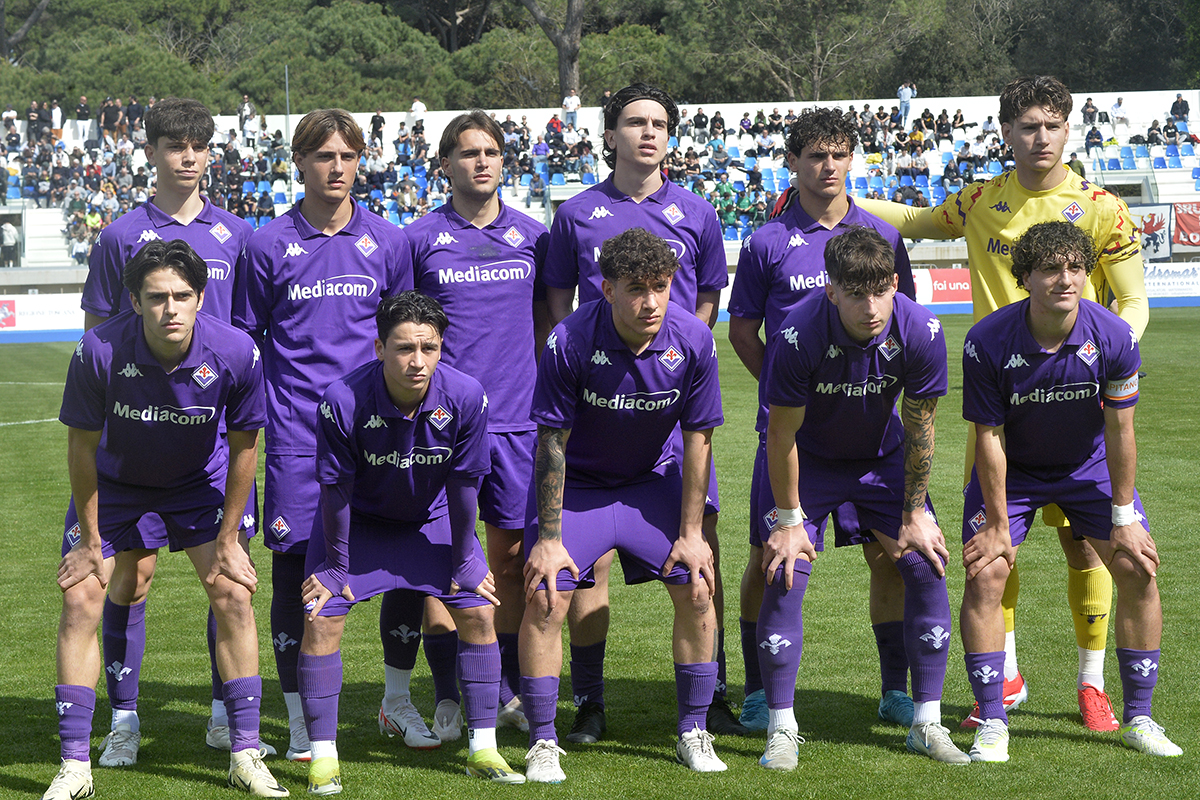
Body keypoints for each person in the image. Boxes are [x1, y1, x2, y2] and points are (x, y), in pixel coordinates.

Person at [859, 75, 1147, 732]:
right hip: (998, 410)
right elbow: (914, 220)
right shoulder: (980, 200)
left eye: (1052, 125)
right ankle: (1007, 679)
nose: (1040, 137)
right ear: (1006, 132)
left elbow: (1132, 301)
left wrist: (1107, 356)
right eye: (1028, 126)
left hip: (1078, 405)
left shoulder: (1101, 207)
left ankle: (1092, 684)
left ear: (1067, 129)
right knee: (991, 545)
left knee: (1088, 549)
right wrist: (841, 194)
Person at [44, 239, 288, 800]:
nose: (170, 308)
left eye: (181, 295)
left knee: (233, 593)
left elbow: (245, 446)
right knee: (81, 597)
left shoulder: (236, 351)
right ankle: (75, 766)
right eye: (156, 297)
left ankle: (245, 754)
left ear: (201, 297)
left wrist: (229, 538)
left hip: (197, 484)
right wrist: (89, 541)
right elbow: (81, 448)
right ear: (135, 301)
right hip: (117, 485)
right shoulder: (98, 350)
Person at [540, 83, 739, 740]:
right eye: (634, 122)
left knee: (699, 551)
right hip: (599, 408)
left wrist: (676, 358)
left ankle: (711, 697)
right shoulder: (576, 213)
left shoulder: (697, 211)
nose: (648, 132)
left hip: (670, 409)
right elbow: (558, 303)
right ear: (610, 135)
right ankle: (590, 702)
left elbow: (707, 300)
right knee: (587, 564)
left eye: (659, 123)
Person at [76, 97, 259, 767]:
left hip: (211, 441)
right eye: (175, 145)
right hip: (137, 439)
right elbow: (98, 335)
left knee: (226, 576)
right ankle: (123, 718)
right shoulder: (121, 235)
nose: (187, 157)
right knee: (133, 577)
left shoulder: (239, 234)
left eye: (198, 146)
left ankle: (224, 716)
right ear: (150, 151)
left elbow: (246, 333)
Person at [959, 221, 1180, 761]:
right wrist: (996, 524)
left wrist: (1124, 516)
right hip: (1015, 472)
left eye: (1076, 268)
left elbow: (1121, 430)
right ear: (1025, 277)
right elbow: (989, 437)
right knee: (986, 573)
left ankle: (1140, 717)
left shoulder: (1114, 336)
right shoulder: (986, 341)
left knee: (1137, 567)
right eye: (1051, 269)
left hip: (1088, 468)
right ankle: (992, 720)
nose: (1066, 279)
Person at [728, 107, 918, 735]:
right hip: (793, 438)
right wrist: (792, 394)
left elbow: (903, 326)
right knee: (768, 559)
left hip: (870, 434)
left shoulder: (881, 235)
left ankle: (895, 690)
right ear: (793, 162)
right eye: (815, 155)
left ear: (851, 159)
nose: (828, 166)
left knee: (889, 558)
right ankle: (759, 691)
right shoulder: (767, 241)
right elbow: (742, 331)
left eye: (839, 154)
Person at [235, 108, 413, 764]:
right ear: (300, 163)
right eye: (323, 156)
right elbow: (247, 343)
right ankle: (299, 719)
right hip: (298, 439)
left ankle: (397, 700)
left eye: (347, 156)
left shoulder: (389, 242)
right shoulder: (266, 245)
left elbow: (405, 332)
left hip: (379, 436)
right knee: (294, 572)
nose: (337, 168)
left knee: (403, 557)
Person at [521, 227, 726, 782]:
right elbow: (551, 443)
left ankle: (694, 730)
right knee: (547, 594)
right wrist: (548, 539)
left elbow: (699, 440)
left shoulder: (693, 338)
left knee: (698, 585)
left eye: (661, 286)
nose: (651, 301)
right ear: (607, 289)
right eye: (636, 288)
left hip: (649, 482)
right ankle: (543, 740)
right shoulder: (569, 339)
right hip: (580, 487)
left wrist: (692, 535)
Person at [757, 226, 966, 769]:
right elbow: (781, 434)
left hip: (881, 457)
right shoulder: (796, 333)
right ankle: (781, 728)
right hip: (807, 458)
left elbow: (921, 427)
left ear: (895, 283)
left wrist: (915, 512)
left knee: (925, 562)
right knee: (784, 569)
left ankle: (927, 723)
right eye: (855, 294)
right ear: (831, 290)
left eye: (879, 291)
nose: (870, 307)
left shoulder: (921, 329)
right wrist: (789, 520)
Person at [299, 292, 525, 791]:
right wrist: (335, 567)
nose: (417, 361)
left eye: (429, 347)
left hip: (431, 520)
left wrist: (465, 560)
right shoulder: (342, 399)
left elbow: (465, 484)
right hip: (359, 524)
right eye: (404, 348)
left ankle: (483, 750)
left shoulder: (466, 395)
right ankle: (323, 757)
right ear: (379, 347)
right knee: (322, 616)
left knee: (478, 610)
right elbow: (335, 489)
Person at [394, 110, 550, 746]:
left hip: (516, 422)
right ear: (446, 165)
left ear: (503, 161)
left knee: (508, 561)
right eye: (467, 153)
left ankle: (505, 688)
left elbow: (548, 324)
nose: (481, 162)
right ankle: (448, 695)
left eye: (491, 152)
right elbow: (403, 330)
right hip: (439, 426)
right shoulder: (418, 239)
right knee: (442, 561)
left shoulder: (534, 236)